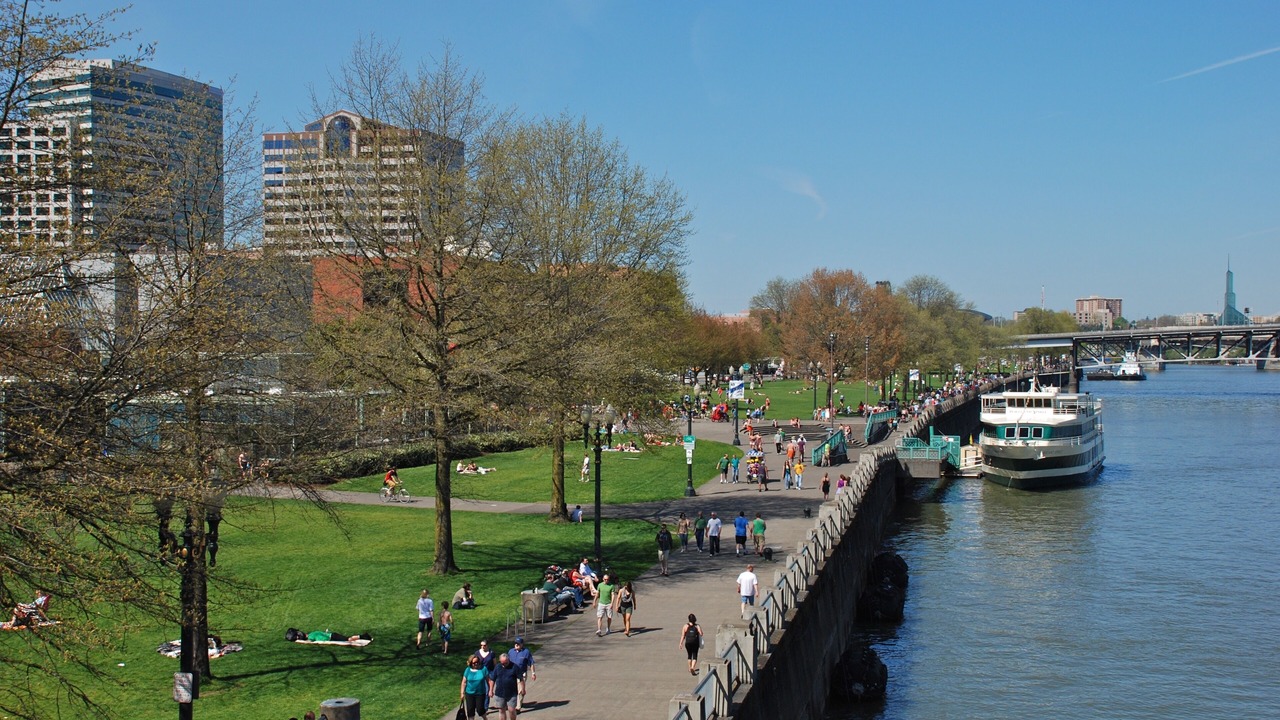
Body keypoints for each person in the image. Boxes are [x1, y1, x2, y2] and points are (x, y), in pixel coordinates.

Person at [489, 652, 522, 720]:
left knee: (511, 710)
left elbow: (521, 678)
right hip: (499, 693)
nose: (504, 665)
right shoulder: (497, 667)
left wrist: (523, 689)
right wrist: (490, 690)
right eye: (502, 663)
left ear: (508, 660)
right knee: (501, 710)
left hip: (512, 693)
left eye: (505, 663)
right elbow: (492, 679)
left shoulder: (514, 667)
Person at [507, 636, 535, 711]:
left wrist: (533, 673)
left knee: (520, 690)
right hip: (512, 674)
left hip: (522, 674)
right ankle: (513, 703)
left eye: (518, 644)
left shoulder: (526, 652)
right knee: (512, 690)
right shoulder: (510, 652)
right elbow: (507, 663)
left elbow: (531, 663)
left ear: (522, 644)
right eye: (515, 643)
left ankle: (518, 707)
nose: (516, 645)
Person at [460, 654, 491, 719]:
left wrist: (490, 690)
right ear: (470, 663)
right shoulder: (468, 670)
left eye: (477, 662)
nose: (476, 664)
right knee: (470, 711)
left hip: (480, 693)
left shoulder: (483, 669)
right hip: (469, 693)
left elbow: (488, 681)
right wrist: (462, 693)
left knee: (480, 710)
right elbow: (464, 682)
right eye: (474, 663)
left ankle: (485, 718)